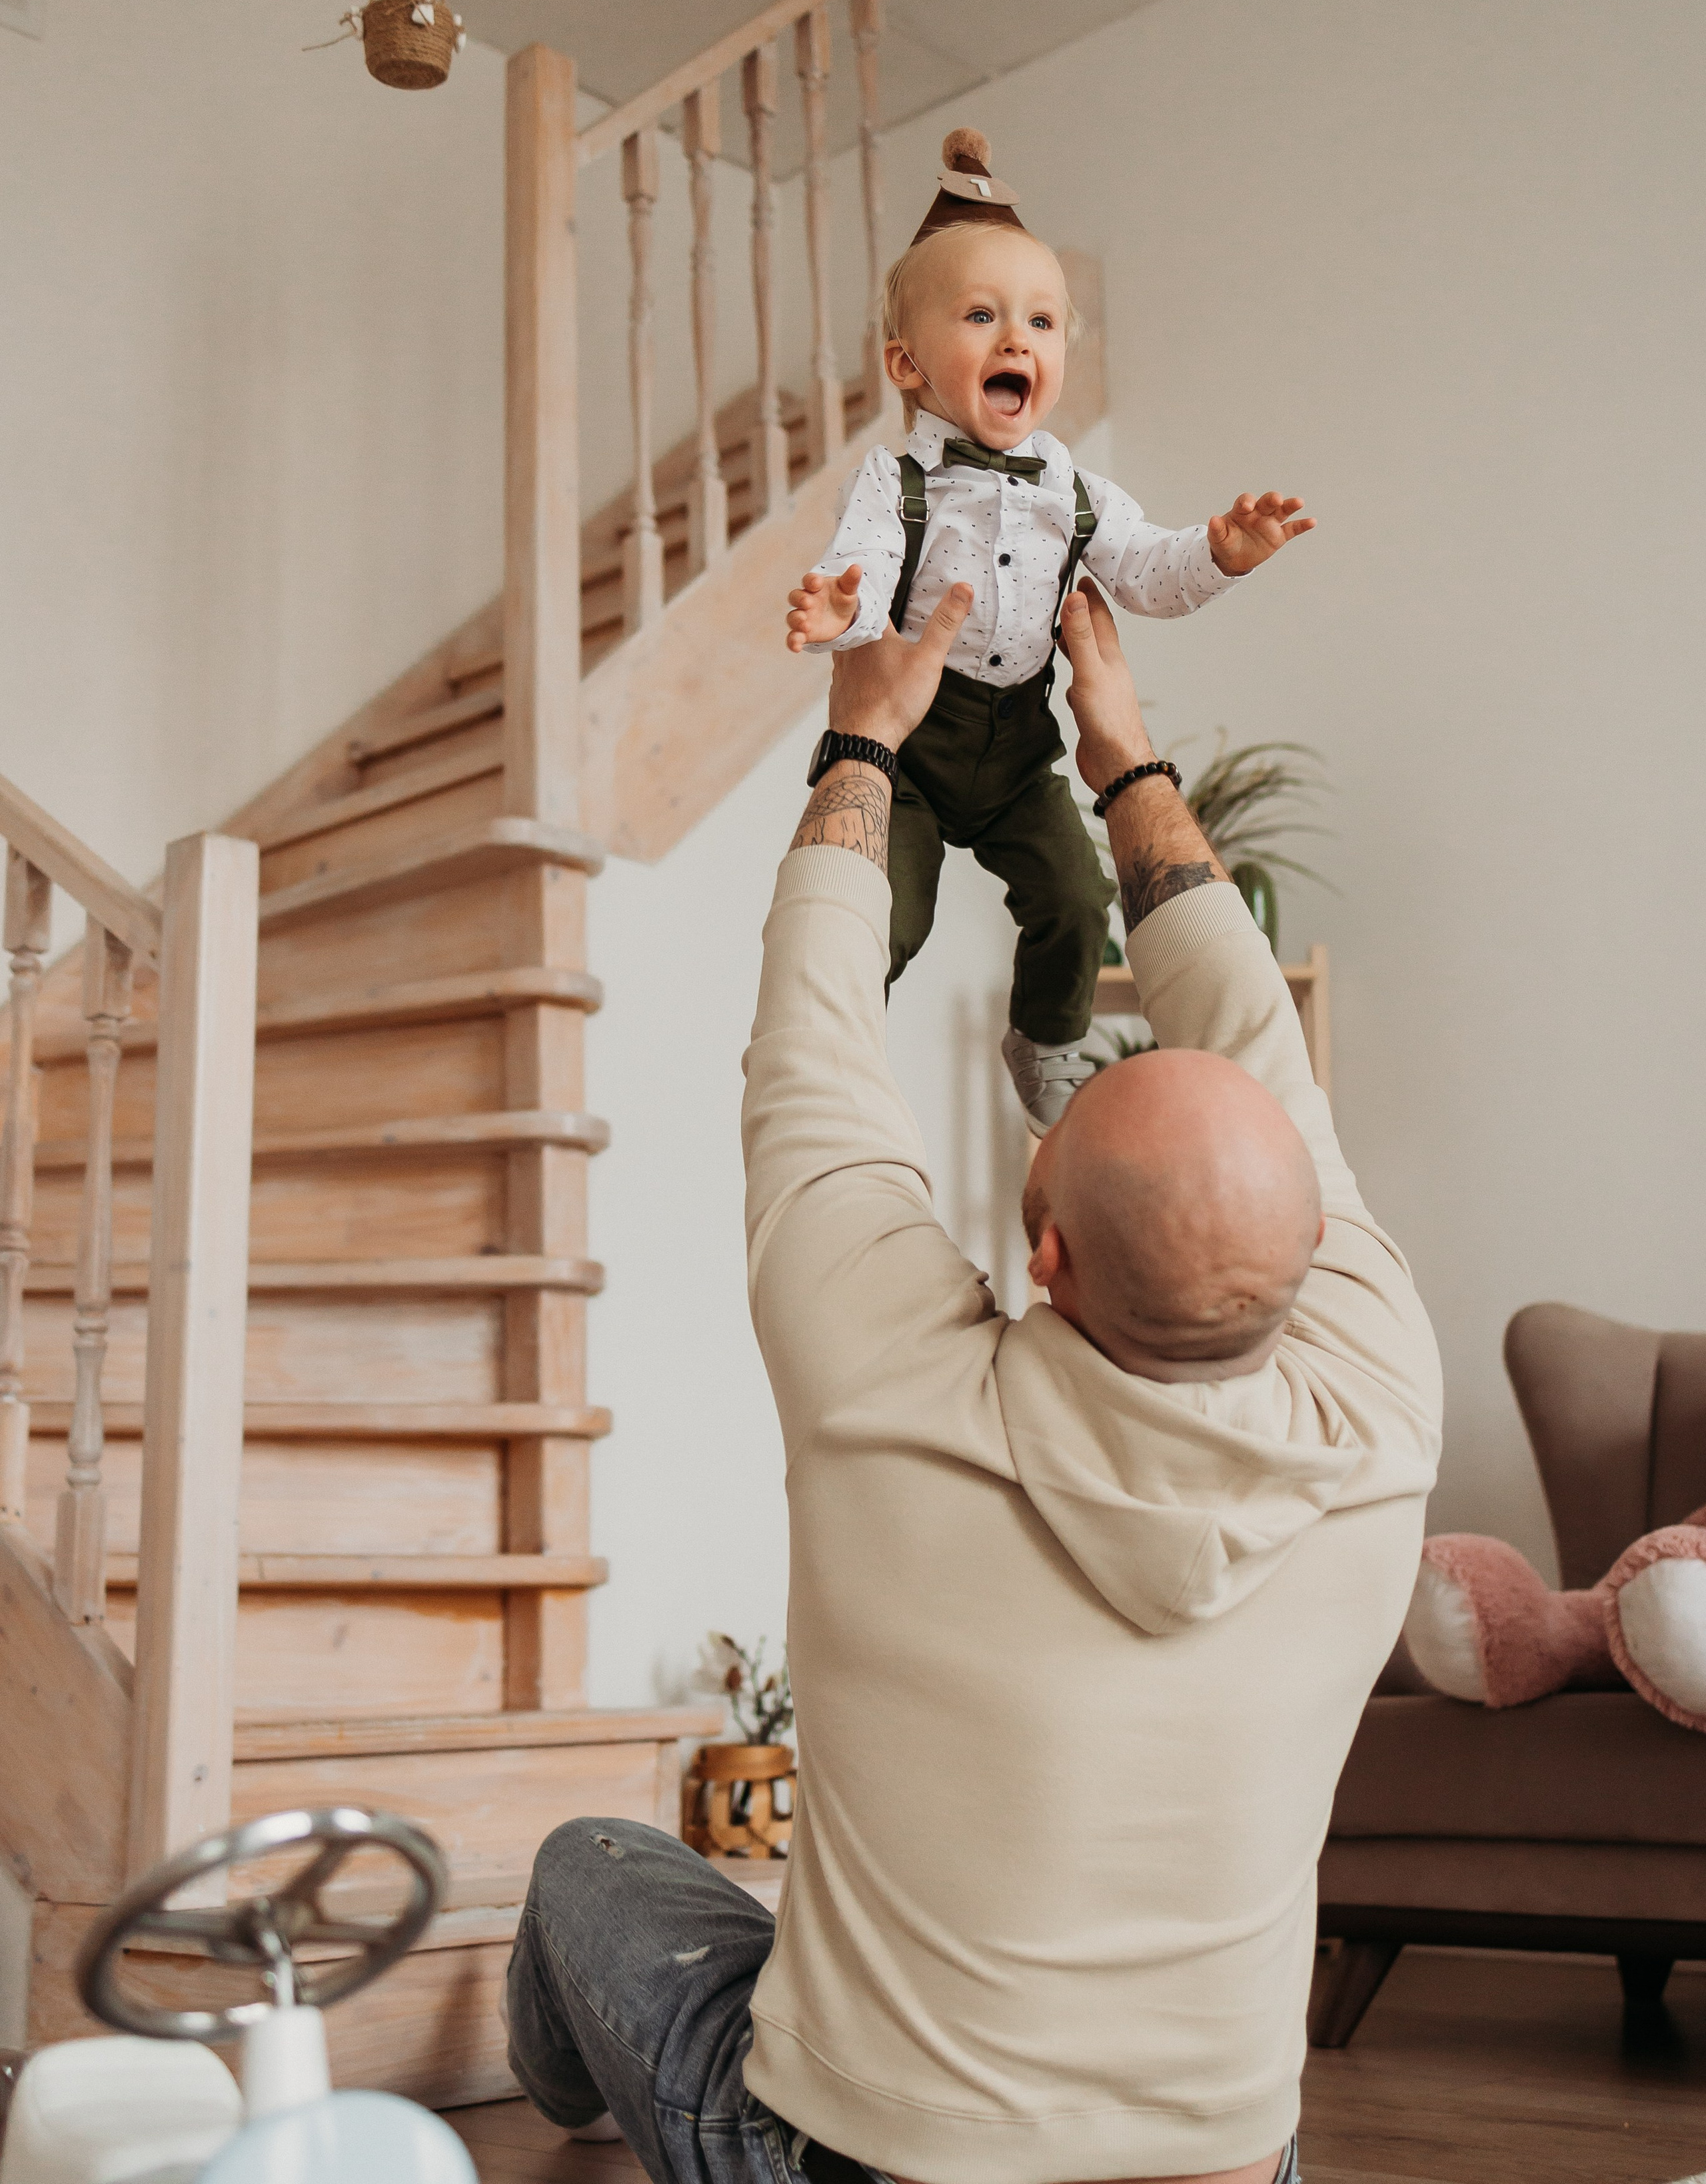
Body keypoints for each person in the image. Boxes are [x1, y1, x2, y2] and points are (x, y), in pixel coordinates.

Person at [504, 578, 1442, 2184]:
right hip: (1219, 2169)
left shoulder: (888, 1394)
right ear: (1311, 1249)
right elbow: (1258, 1055)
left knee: (588, 1860)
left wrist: (863, 739)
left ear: (1044, 1254)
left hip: (860, 2165)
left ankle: (561, 2126)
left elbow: (810, 1047)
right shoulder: (1381, 1401)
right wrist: (1126, 758)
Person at [784, 127, 1313, 1135]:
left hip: (1020, 752)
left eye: (1042, 321)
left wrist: (1221, 553)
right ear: (906, 363)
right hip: (914, 752)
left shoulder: (1076, 489)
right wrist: (840, 611)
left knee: (1076, 896)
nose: (1017, 341)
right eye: (980, 316)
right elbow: (866, 562)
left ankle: (1047, 1037)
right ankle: (836, 1054)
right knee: (886, 916)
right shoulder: (894, 480)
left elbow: (1146, 573)